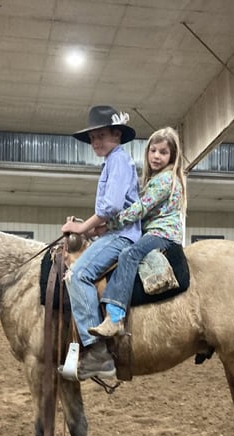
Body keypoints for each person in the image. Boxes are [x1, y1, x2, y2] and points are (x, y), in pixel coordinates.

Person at [60, 105, 141, 380]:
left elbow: (112, 205)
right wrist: (95, 231)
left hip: (122, 237)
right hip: (114, 232)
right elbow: (116, 211)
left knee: (77, 275)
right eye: (93, 138)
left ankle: (97, 353)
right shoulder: (114, 161)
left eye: (101, 136)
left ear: (116, 135)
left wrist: (81, 227)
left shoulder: (118, 160)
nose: (96, 142)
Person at [89, 126, 186, 338]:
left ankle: (115, 317)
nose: (157, 156)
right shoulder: (156, 179)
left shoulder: (165, 179)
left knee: (129, 254)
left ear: (172, 156)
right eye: (153, 151)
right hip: (155, 233)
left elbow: (139, 209)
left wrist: (108, 225)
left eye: (163, 152)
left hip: (162, 234)